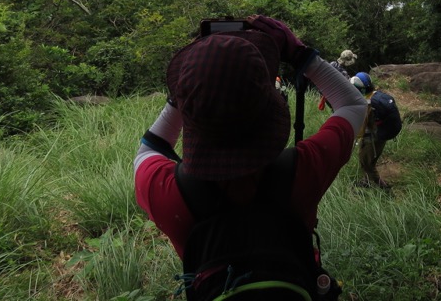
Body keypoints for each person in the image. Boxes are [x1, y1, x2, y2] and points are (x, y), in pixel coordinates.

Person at [134, 15, 368, 300]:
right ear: (271, 105)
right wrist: (301, 55)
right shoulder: (301, 172)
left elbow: (149, 149)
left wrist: (193, 85)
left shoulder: (169, 194)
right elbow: (353, 105)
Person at [350, 72, 402, 189]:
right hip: (379, 132)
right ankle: (367, 180)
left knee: (367, 162)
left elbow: (361, 127)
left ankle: (382, 187)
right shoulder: (375, 95)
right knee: (365, 157)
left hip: (375, 136)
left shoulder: (368, 104)